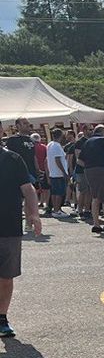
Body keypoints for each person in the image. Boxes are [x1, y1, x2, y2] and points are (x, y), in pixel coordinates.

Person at [0, 127, 42, 337]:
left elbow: (28, 189)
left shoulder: (13, 159)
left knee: (6, 276)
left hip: (9, 225)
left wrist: (34, 214)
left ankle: (2, 317)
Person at [79, 125, 104, 234]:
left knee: (95, 196)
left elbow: (79, 161)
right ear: (103, 132)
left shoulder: (87, 142)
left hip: (89, 170)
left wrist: (89, 166)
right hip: (102, 169)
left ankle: (96, 224)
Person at [45, 128, 70, 217]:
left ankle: (56, 209)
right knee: (59, 193)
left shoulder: (50, 145)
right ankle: (57, 210)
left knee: (54, 192)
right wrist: (64, 172)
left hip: (52, 172)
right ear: (61, 136)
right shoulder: (57, 146)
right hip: (58, 173)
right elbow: (57, 160)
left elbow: (48, 159)